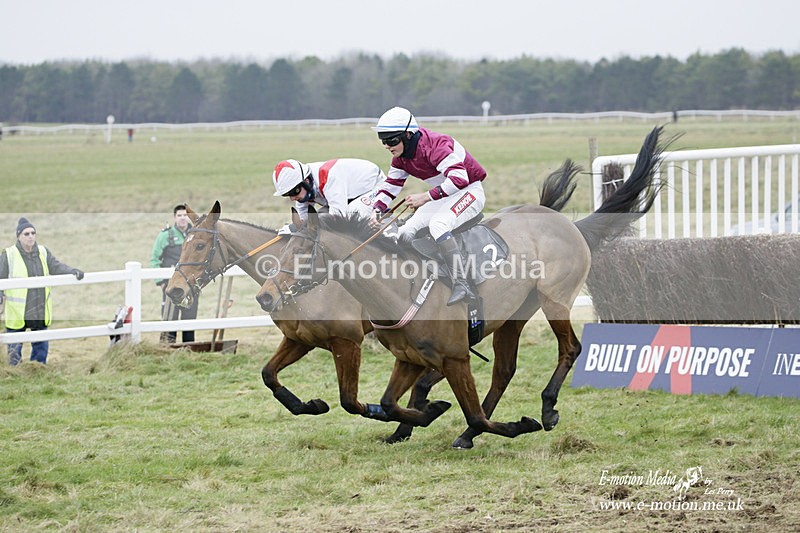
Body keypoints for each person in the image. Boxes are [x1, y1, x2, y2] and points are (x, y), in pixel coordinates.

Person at [369, 106, 487, 305]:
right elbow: (391, 184)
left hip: (469, 191)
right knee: (405, 231)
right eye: (383, 141)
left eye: (391, 140)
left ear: (408, 135)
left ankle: (462, 283)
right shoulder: (400, 158)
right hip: (444, 194)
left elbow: (460, 178)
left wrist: (425, 197)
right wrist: (377, 210)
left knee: (438, 224)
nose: (388, 146)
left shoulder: (435, 144)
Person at [0, 217, 84, 365]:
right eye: (26, 233)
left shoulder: (43, 252)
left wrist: (73, 271)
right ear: (19, 236)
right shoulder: (9, 255)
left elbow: (56, 267)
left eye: (33, 233)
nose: (30, 236)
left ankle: (38, 371)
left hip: (39, 309)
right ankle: (14, 374)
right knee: (14, 351)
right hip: (17, 312)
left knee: (41, 349)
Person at [271, 158, 385, 229]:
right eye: (287, 194)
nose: (292, 198)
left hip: (375, 185)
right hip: (348, 194)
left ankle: (389, 233)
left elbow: (338, 218)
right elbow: (303, 221)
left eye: (294, 192)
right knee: (319, 217)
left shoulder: (329, 177)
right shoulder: (304, 186)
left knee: (351, 216)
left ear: (306, 181)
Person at [150, 204, 198, 343]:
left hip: (191, 286)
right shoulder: (165, 236)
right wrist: (161, 282)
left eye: (185, 215)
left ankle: (189, 351)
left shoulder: (196, 234)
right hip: (171, 286)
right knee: (170, 319)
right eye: (179, 215)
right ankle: (167, 350)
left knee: (190, 320)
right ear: (175, 218)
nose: (183, 218)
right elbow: (154, 259)